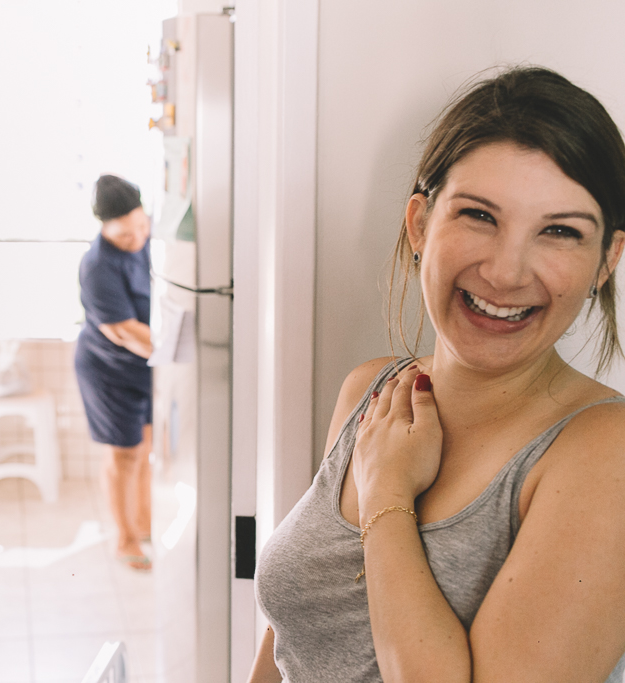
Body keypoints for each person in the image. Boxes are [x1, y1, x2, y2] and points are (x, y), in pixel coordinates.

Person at [248, 67, 625, 683]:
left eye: (559, 231)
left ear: (606, 260)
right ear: (421, 223)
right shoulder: (369, 392)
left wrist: (389, 495)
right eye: (479, 216)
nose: (506, 273)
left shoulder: (604, 452)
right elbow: (289, 640)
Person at [75, 174, 154, 570]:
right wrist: (181, 355)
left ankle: (145, 523)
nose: (137, 240)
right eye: (126, 236)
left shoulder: (147, 236)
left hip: (147, 368)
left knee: (147, 447)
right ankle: (125, 539)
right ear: (106, 229)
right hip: (109, 369)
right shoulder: (96, 266)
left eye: (142, 227)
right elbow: (125, 331)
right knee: (124, 453)